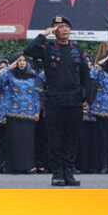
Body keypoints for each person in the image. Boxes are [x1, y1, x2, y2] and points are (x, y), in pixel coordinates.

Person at [24, 16, 91, 187]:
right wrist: (44, 34)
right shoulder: (47, 48)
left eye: (67, 26)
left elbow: (86, 76)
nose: (65, 29)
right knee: (55, 138)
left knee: (71, 138)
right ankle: (57, 173)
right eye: (60, 27)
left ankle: (69, 172)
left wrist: (86, 97)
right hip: (54, 100)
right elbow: (29, 51)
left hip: (74, 101)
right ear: (55, 30)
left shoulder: (77, 50)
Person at [0, 55, 44, 174]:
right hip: (13, 113)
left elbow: (37, 96)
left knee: (27, 141)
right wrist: (8, 69)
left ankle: (27, 166)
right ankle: (12, 166)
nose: (22, 63)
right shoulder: (10, 75)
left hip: (29, 113)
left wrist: (37, 111)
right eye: (19, 61)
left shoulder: (34, 77)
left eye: (24, 61)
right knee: (13, 140)